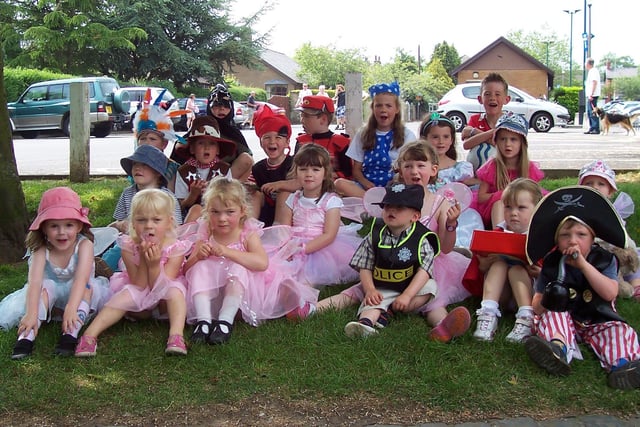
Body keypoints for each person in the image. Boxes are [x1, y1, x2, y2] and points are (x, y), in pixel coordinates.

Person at [523, 186, 640, 390]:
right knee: (551, 317)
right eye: (565, 235)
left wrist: (584, 267)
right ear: (557, 241)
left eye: (581, 234)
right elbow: (537, 305)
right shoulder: (553, 262)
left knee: (621, 330)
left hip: (598, 318)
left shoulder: (604, 259)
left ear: (593, 238)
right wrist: (549, 299)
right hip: (566, 317)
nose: (573, 240)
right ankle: (557, 349)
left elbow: (610, 293)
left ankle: (623, 365)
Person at [183, 177, 317, 344]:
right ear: (207, 211)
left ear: (242, 211)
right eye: (215, 212)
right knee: (200, 267)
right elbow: (186, 269)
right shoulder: (206, 230)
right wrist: (197, 256)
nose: (222, 218)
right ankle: (203, 321)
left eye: (229, 212)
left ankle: (225, 321)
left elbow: (262, 263)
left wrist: (227, 252)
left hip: (243, 292)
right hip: (212, 295)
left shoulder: (246, 232)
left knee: (238, 268)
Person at [75, 189, 192, 357]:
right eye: (141, 220)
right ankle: (89, 336)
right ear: (133, 223)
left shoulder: (176, 247)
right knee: (125, 295)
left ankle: (176, 336)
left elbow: (162, 286)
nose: (149, 225)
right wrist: (145, 261)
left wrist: (154, 266)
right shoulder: (128, 246)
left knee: (175, 292)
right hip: (140, 289)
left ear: (169, 222)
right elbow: (138, 284)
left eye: (156, 220)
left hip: (164, 295)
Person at [1, 187, 111, 359]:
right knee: (45, 286)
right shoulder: (40, 250)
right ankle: (26, 337)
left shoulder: (84, 245)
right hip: (49, 294)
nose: (62, 232)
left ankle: (70, 334)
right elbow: (35, 282)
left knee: (88, 288)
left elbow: (81, 279)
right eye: (54, 226)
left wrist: (71, 307)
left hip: (78, 292)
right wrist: (30, 313)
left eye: (68, 225)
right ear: (44, 228)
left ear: (79, 225)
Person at [344, 183, 440, 338]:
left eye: (399, 208)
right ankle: (365, 324)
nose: (391, 210)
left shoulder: (422, 238)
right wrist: (370, 290)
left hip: (410, 285)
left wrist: (407, 295)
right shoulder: (375, 235)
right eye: (387, 206)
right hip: (383, 285)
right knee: (375, 300)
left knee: (430, 287)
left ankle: (391, 311)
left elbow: (424, 271)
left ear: (415, 216)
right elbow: (365, 266)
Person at [263, 144, 362, 290]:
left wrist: (304, 249)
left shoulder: (330, 201)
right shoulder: (293, 198)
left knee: (308, 277)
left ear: (325, 172)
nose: (309, 174)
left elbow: (329, 235)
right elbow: (284, 228)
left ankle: (304, 301)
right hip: (295, 242)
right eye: (303, 169)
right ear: (296, 171)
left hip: (321, 246)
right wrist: (286, 247)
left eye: (315, 170)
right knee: (275, 269)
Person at [470, 178, 543, 343]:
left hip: (529, 292)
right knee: (499, 264)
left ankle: (526, 319)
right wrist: (484, 264)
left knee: (516, 269)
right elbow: (479, 268)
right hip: (502, 295)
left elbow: (550, 270)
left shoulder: (540, 238)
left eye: (521, 208)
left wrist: (539, 272)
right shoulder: (498, 233)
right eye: (508, 207)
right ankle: (488, 314)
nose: (513, 213)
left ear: (536, 209)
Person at [335, 81, 415, 198]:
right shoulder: (362, 134)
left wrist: (393, 184)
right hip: (367, 187)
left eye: (388, 106)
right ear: (373, 108)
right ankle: (373, 201)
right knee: (339, 184)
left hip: (393, 185)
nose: (383, 109)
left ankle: (382, 201)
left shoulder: (407, 135)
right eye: (378, 105)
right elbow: (356, 171)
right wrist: (366, 184)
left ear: (397, 109)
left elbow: (409, 168)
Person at [577, 160, 640, 299]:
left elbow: (622, 235)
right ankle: (613, 284)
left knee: (635, 254)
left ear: (610, 191)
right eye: (589, 183)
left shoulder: (612, 212)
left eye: (601, 184)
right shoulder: (579, 211)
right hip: (591, 252)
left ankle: (636, 285)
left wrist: (629, 247)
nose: (595, 187)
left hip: (613, 250)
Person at [475, 112, 544, 229]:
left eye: (513, 139)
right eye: (503, 139)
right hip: (496, 208)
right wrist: (502, 195)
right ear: (496, 142)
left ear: (522, 143)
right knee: (500, 202)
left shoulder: (529, 168)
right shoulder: (492, 166)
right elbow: (481, 197)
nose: (507, 144)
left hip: (521, 208)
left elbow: (535, 195)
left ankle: (527, 235)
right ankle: (499, 237)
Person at [109, 144, 183, 235]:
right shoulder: (127, 193)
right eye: (135, 164)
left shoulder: (167, 197)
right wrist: (120, 225)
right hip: (130, 241)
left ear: (157, 172)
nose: (137, 168)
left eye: (144, 165)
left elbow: (177, 228)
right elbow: (117, 223)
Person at [174, 116, 236, 223]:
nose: (206, 148)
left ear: (217, 150)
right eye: (201, 143)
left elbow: (230, 198)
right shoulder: (184, 171)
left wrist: (214, 193)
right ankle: (184, 238)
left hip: (219, 215)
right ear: (192, 149)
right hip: (192, 217)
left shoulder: (224, 169)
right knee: (196, 209)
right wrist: (193, 194)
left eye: (212, 143)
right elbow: (181, 206)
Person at [246, 104, 294, 227]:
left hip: (291, 211)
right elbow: (251, 185)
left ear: (287, 142)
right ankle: (249, 229)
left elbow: (301, 183)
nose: (272, 141)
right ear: (260, 143)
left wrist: (279, 185)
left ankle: (279, 232)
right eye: (267, 137)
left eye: (278, 137)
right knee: (254, 194)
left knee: (284, 193)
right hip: (266, 209)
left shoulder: (294, 163)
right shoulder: (258, 168)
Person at [132, 88, 183, 192]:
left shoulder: (171, 167)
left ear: (164, 144)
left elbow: (172, 197)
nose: (147, 142)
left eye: (152, 139)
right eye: (142, 138)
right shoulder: (134, 164)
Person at [461, 73, 511, 174]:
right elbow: (466, 145)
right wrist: (493, 133)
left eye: (497, 94)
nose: (492, 98)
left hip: (505, 172)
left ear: (507, 99)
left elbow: (503, 147)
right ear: (480, 99)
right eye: (487, 94)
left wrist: (474, 132)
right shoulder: (475, 119)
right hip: (477, 174)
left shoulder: (511, 121)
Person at [203, 84, 254, 181]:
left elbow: (248, 160)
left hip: (228, 179)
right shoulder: (201, 127)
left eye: (226, 105)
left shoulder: (233, 132)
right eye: (217, 105)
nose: (221, 109)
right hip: (199, 176)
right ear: (210, 108)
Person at [295, 95, 352, 180]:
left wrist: (323, 176)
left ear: (323, 119)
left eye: (306, 116)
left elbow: (347, 172)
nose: (302, 120)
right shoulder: (301, 141)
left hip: (333, 187)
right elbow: (295, 169)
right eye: (301, 115)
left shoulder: (340, 143)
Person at [419, 112, 474, 191]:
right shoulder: (417, 166)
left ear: (452, 140)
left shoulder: (460, 170)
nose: (441, 141)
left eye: (446, 137)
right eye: (435, 137)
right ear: (424, 139)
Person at [584, 58, 602, 135]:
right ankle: (591, 127)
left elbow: (594, 82)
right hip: (590, 95)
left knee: (593, 112)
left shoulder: (594, 71)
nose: (585, 65)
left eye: (585, 63)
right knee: (589, 112)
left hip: (593, 95)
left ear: (588, 64)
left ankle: (595, 128)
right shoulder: (591, 71)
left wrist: (591, 93)